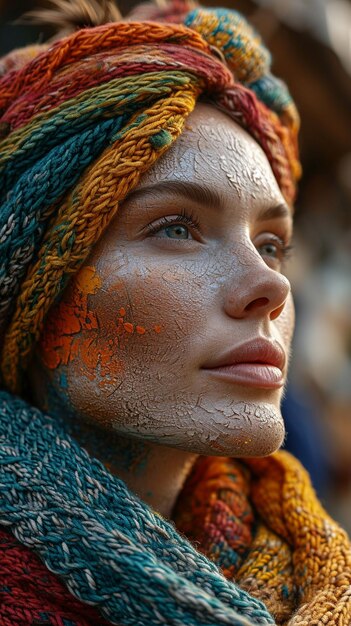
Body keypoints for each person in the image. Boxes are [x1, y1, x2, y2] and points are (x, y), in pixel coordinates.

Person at [0, 1, 350, 624]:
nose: (268, 283)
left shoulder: (315, 583)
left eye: (272, 243)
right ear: (32, 288)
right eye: (177, 228)